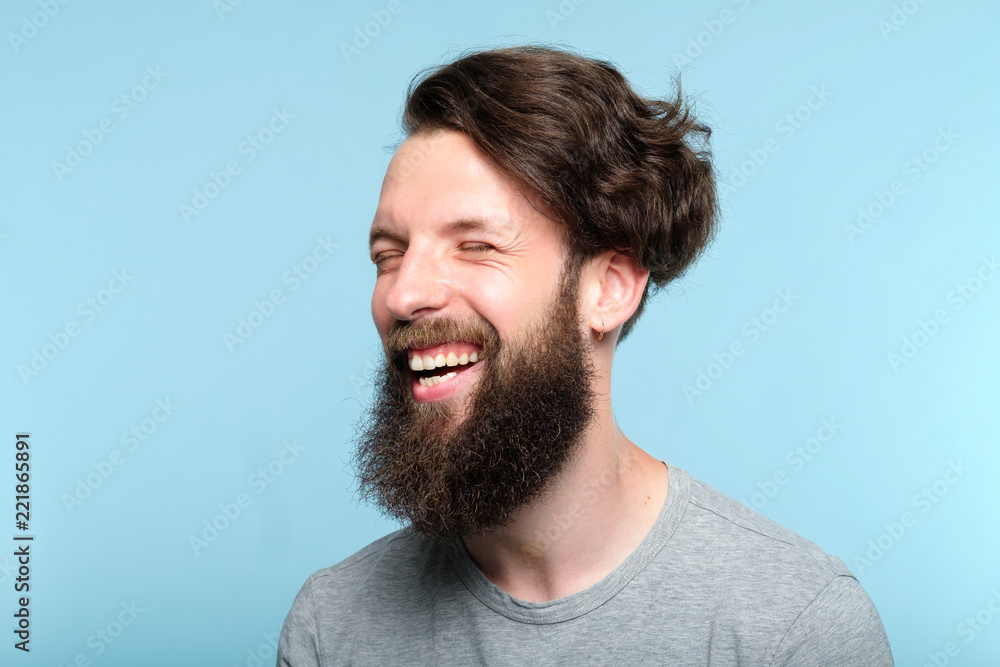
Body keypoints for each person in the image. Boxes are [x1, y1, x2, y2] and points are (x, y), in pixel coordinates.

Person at [277, 44, 893, 665]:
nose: (403, 295)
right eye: (388, 256)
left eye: (476, 246)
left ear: (610, 289)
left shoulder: (794, 627)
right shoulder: (332, 627)